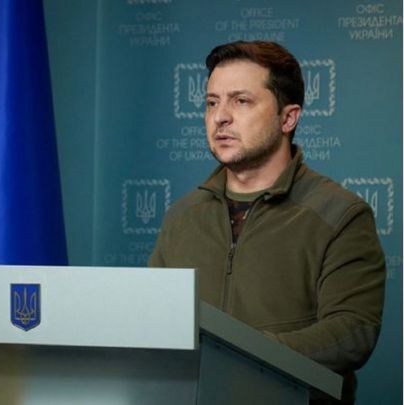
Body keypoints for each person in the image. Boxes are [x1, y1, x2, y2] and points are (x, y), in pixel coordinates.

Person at [149, 41, 385, 404]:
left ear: (288, 118)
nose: (220, 117)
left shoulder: (341, 214)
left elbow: (352, 334)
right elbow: (153, 321)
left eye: (241, 101)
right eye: (212, 102)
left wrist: (236, 355)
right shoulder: (182, 216)